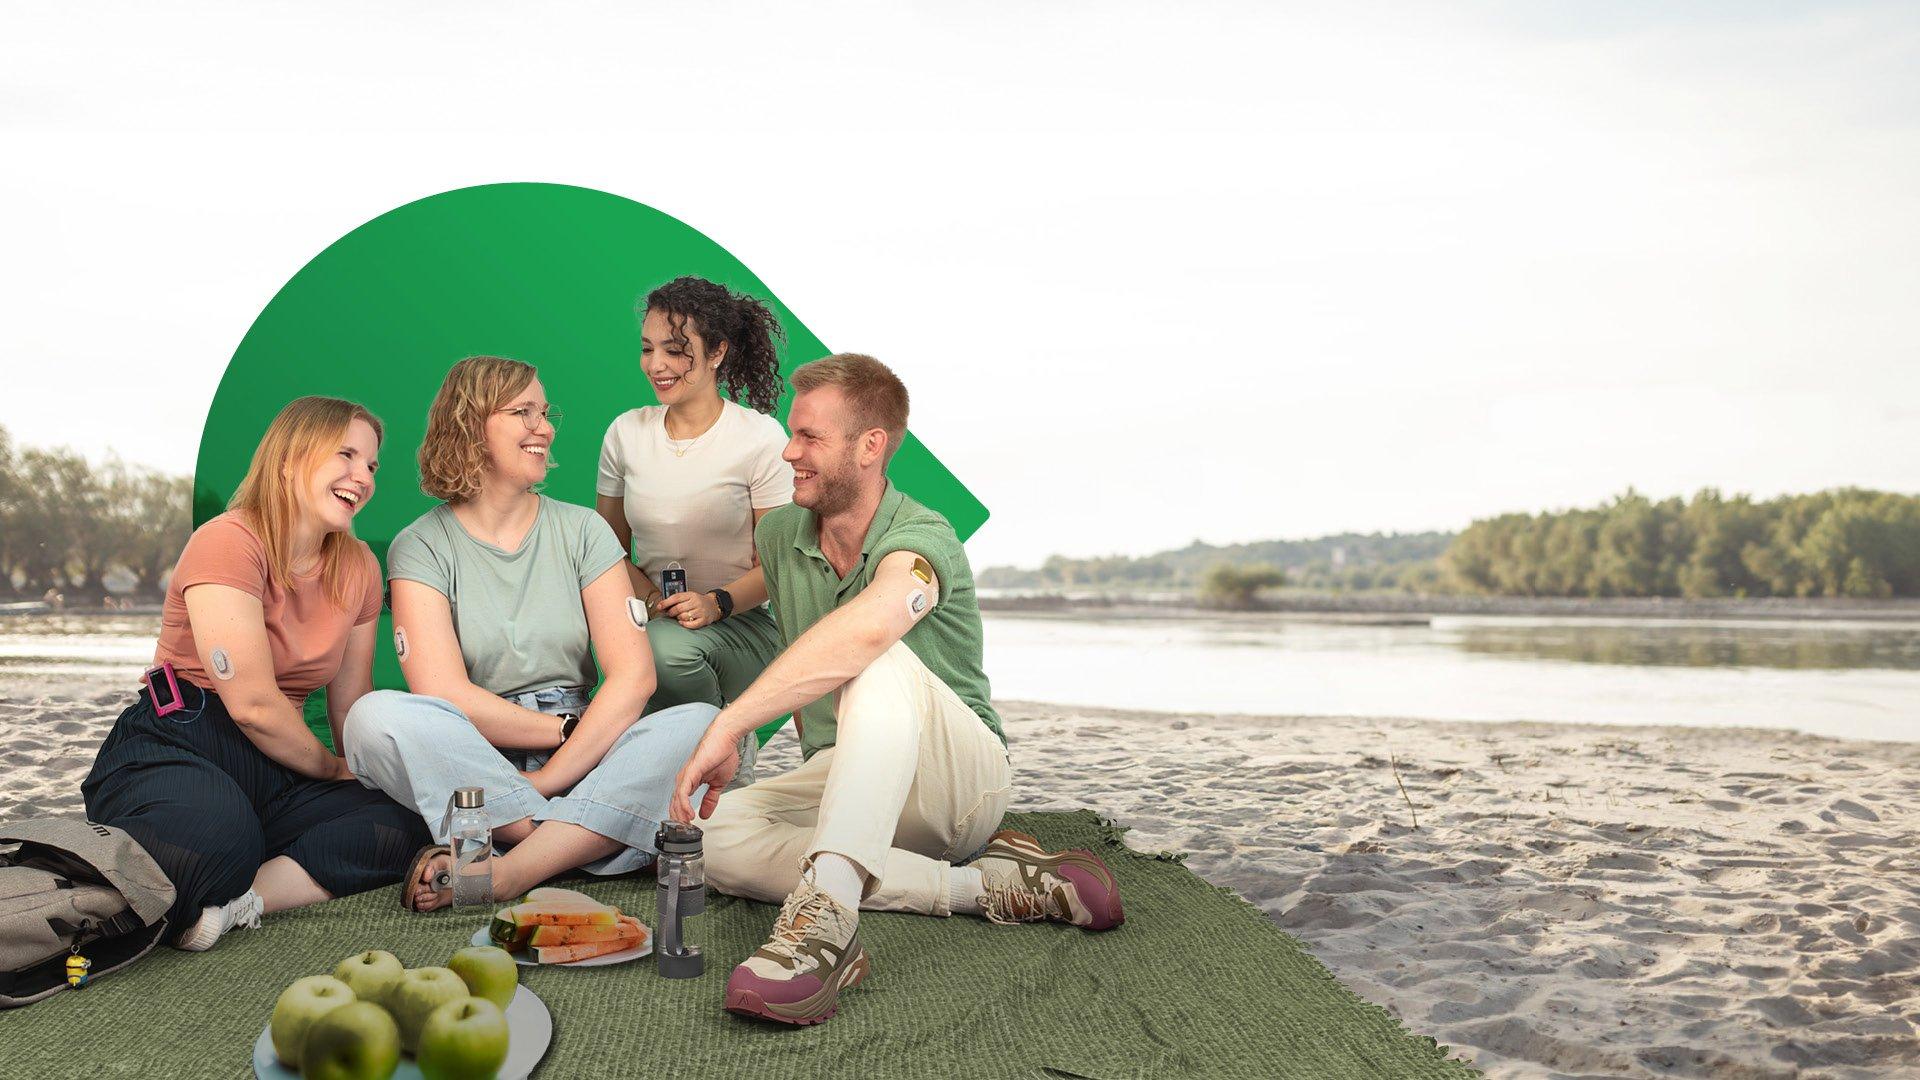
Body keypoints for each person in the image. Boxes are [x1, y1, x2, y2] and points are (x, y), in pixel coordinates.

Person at [670, 354, 1126, 1026]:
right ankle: (993, 888)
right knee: (703, 836)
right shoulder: (777, 534)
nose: (789, 452)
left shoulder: (922, 536)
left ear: (871, 446)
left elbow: (872, 625)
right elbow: (784, 630)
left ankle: (825, 929)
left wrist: (731, 723)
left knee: (874, 657)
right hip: (845, 775)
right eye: (790, 434)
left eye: (811, 439)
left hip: (959, 781)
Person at [341, 356, 717, 910]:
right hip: (473, 745)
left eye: (545, 412)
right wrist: (557, 734)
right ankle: (573, 840)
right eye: (524, 412)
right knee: (371, 719)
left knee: (702, 724)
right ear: (471, 425)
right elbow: (442, 691)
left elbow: (633, 678)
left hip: (588, 741)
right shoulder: (419, 545)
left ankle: (508, 865)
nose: (545, 427)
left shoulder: (583, 530)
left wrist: (554, 774)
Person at [81, 396, 428, 951]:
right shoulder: (228, 539)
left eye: (371, 465)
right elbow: (251, 704)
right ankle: (209, 855)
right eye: (346, 455)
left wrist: (361, 774)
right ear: (290, 458)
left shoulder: (360, 567)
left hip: (278, 765)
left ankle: (237, 903)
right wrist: (330, 769)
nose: (362, 476)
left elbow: (351, 703)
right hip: (181, 738)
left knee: (408, 818)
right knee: (221, 840)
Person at [595, 276, 793, 784]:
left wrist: (715, 603)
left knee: (662, 654)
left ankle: (724, 746)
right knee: (648, 652)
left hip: (743, 622)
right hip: (655, 616)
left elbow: (777, 565)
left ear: (717, 353)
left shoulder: (759, 438)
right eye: (647, 348)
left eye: (676, 350)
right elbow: (607, 548)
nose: (655, 364)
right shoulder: (626, 432)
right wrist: (651, 596)